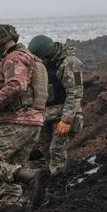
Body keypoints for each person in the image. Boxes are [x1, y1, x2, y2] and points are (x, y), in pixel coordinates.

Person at [0, 24, 48, 207]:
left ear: (1, 44)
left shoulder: (14, 58)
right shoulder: (32, 59)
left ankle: (32, 176)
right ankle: (10, 208)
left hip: (16, 122)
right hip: (33, 122)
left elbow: (16, 85)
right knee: (11, 168)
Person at [28, 34, 84, 178]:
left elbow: (75, 93)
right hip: (46, 115)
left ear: (47, 54)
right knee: (45, 149)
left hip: (65, 115)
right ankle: (51, 177)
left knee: (56, 150)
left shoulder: (71, 63)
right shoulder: (43, 65)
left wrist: (66, 120)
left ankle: (59, 181)